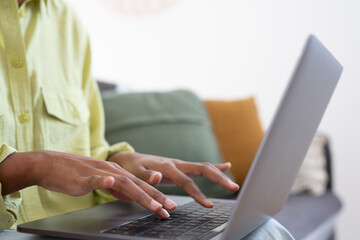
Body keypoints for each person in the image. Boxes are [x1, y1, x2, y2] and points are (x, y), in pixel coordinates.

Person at [0, 0, 294, 239]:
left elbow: (90, 150)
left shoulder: (65, 20)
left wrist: (122, 164)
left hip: (82, 229)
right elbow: (48, 164)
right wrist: (28, 167)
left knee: (258, 230)